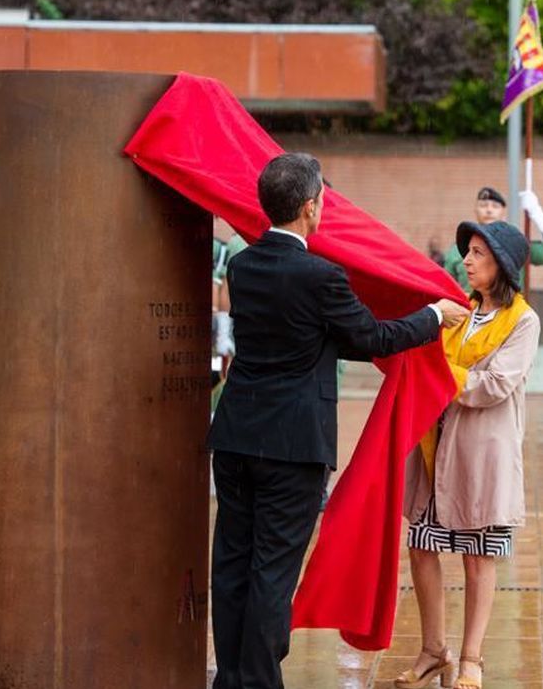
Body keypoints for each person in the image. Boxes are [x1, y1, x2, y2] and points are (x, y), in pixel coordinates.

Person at [206, 152, 467, 689]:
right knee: (272, 571)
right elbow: (370, 338)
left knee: (232, 563)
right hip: (293, 445)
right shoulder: (322, 275)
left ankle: (231, 679)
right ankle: (256, 682)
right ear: (310, 208)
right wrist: (432, 316)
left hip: (236, 434)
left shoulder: (243, 264)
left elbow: (325, 335)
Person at [400, 220, 540, 689]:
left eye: (478, 253)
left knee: (478, 556)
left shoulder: (522, 320)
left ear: (501, 264)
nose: (468, 261)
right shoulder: (456, 311)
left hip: (482, 452)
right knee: (421, 545)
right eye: (469, 252)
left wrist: (438, 371)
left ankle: (471, 658)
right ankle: (432, 650)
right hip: (434, 445)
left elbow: (496, 384)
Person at [442, 186, 543, 293]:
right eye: (483, 205)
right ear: (475, 210)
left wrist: (536, 212)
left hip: (509, 315)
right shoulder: (457, 249)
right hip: (471, 315)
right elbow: (446, 288)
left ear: (503, 212)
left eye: (495, 206)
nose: (489, 210)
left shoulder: (516, 245)